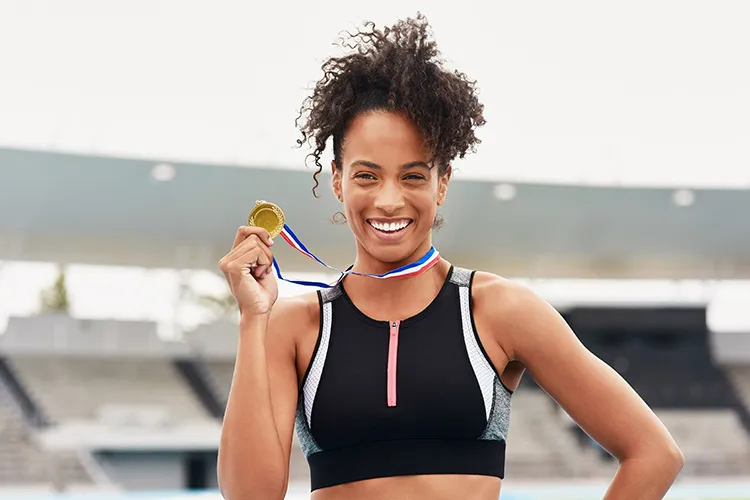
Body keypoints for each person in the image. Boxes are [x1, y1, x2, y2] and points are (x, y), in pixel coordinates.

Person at [216, 13, 684, 500]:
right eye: (366, 175)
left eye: (413, 176)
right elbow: (251, 496)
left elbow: (653, 454)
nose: (390, 200)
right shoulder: (292, 327)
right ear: (337, 179)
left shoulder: (499, 309)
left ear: (443, 182)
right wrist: (254, 319)